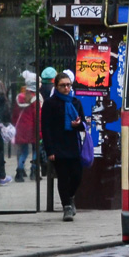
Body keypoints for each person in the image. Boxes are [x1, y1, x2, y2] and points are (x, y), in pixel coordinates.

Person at [41, 71, 85, 221]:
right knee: (63, 177)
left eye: (68, 85)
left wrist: (78, 124)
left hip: (73, 145)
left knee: (77, 175)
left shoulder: (75, 102)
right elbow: (46, 128)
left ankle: (70, 197)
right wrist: (50, 150)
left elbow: (83, 124)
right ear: (56, 86)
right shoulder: (50, 103)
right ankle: (66, 207)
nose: (66, 88)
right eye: (62, 85)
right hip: (58, 146)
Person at [13, 77, 41, 182]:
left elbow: (15, 115)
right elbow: (38, 117)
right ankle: (34, 171)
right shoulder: (35, 99)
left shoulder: (19, 97)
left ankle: (19, 172)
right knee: (36, 150)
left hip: (21, 128)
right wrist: (40, 131)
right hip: (33, 128)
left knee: (24, 152)